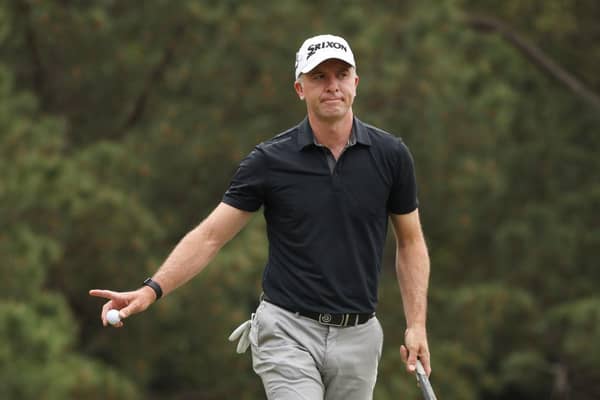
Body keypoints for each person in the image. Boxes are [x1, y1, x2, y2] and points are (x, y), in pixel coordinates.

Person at [90, 34, 431, 399]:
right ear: (300, 88)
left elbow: (410, 242)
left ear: (355, 83)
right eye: (319, 77)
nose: (332, 86)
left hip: (359, 338)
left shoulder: (391, 156)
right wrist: (151, 290)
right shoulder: (270, 161)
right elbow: (210, 236)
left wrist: (416, 325)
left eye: (341, 75)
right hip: (288, 331)